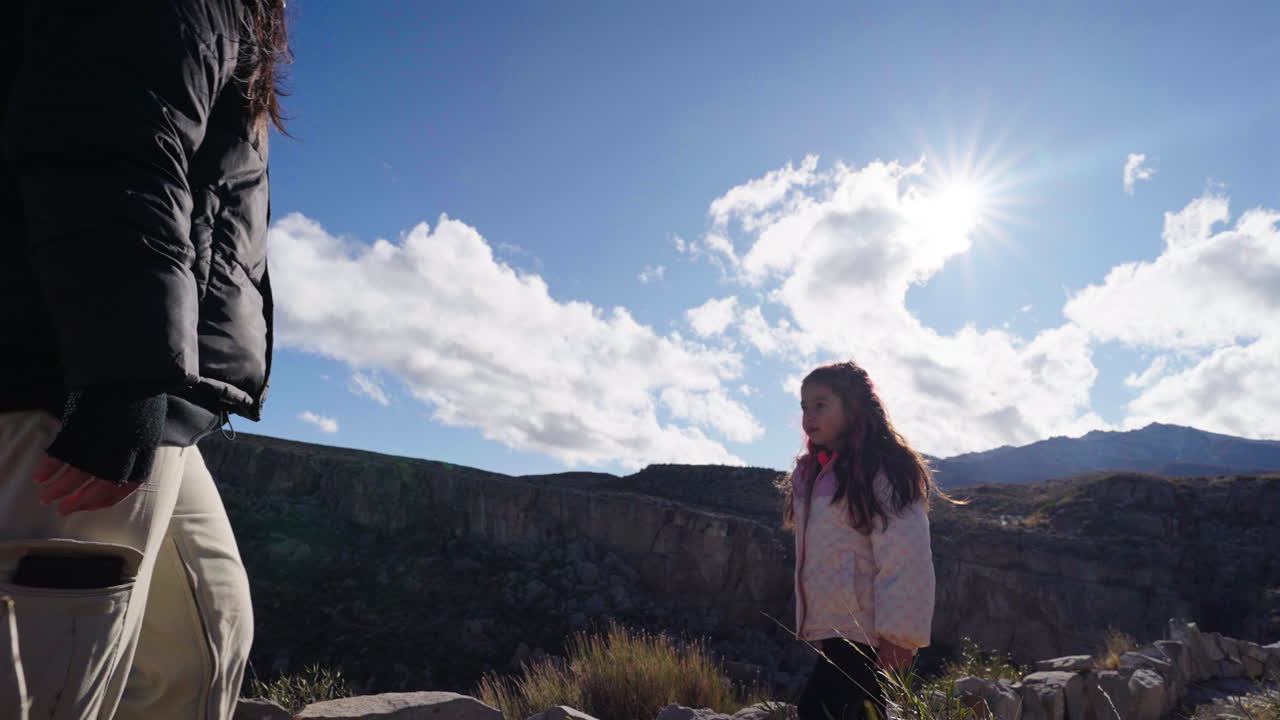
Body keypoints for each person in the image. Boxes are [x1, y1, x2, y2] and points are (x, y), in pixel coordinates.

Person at [0, 0, 288, 718]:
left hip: (156, 382)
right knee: (52, 669)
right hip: (68, 371)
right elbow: (110, 133)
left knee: (201, 646)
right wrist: (123, 376)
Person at [783, 361, 944, 720]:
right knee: (845, 710)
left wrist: (900, 635)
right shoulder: (813, 474)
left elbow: (906, 554)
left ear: (852, 407)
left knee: (821, 709)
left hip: (866, 628)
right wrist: (820, 625)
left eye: (821, 405)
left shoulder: (883, 467)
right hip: (838, 629)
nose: (809, 415)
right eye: (805, 407)